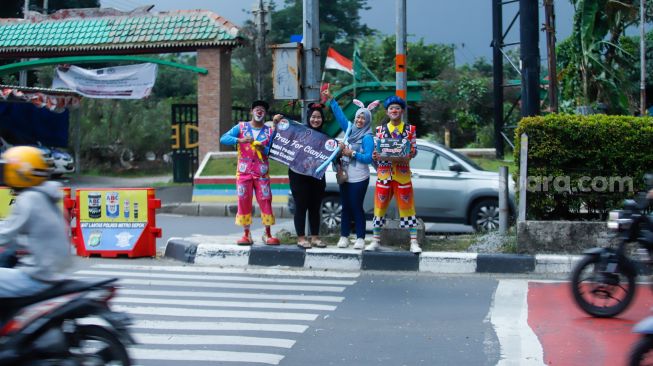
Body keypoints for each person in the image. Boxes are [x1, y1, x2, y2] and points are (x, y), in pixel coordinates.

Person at [0, 146, 72, 297]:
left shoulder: (28, 199)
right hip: (56, 272)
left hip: (38, 275)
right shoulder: (47, 195)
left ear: (18, 172)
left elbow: (4, 233)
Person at [220, 100, 282, 245]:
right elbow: (223, 138)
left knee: (266, 200)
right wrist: (240, 140)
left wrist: (264, 150)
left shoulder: (270, 131)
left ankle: (267, 234)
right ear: (251, 111)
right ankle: (246, 234)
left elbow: (273, 151)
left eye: (262, 109)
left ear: (265, 113)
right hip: (244, 173)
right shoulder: (241, 127)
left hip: (261, 174)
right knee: (243, 201)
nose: (259, 111)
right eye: (257, 109)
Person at [367, 95, 422, 254]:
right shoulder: (379, 130)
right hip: (384, 174)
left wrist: (409, 154)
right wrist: (376, 156)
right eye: (391, 108)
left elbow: (414, 150)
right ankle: (375, 240)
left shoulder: (410, 129)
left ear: (402, 111)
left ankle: (413, 242)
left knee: (408, 208)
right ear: (387, 111)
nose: (394, 111)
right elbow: (377, 151)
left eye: (397, 108)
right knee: (379, 208)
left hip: (402, 174)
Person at [323, 88, 376, 250]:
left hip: (360, 178)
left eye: (363, 117)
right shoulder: (350, 130)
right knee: (345, 206)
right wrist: (332, 100)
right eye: (358, 116)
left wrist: (351, 152)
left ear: (368, 121)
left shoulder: (368, 137)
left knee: (356, 206)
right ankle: (344, 236)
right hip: (345, 176)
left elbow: (369, 158)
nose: (360, 119)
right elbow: (340, 117)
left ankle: (360, 238)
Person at [288, 103, 328, 249]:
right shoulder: (300, 132)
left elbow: (332, 155)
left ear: (322, 119)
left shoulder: (326, 137)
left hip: (317, 177)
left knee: (315, 207)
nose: (316, 120)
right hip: (298, 175)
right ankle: (301, 238)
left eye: (318, 117)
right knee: (301, 206)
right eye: (313, 117)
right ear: (308, 118)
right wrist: (276, 123)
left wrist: (339, 149)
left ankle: (315, 238)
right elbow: (285, 140)